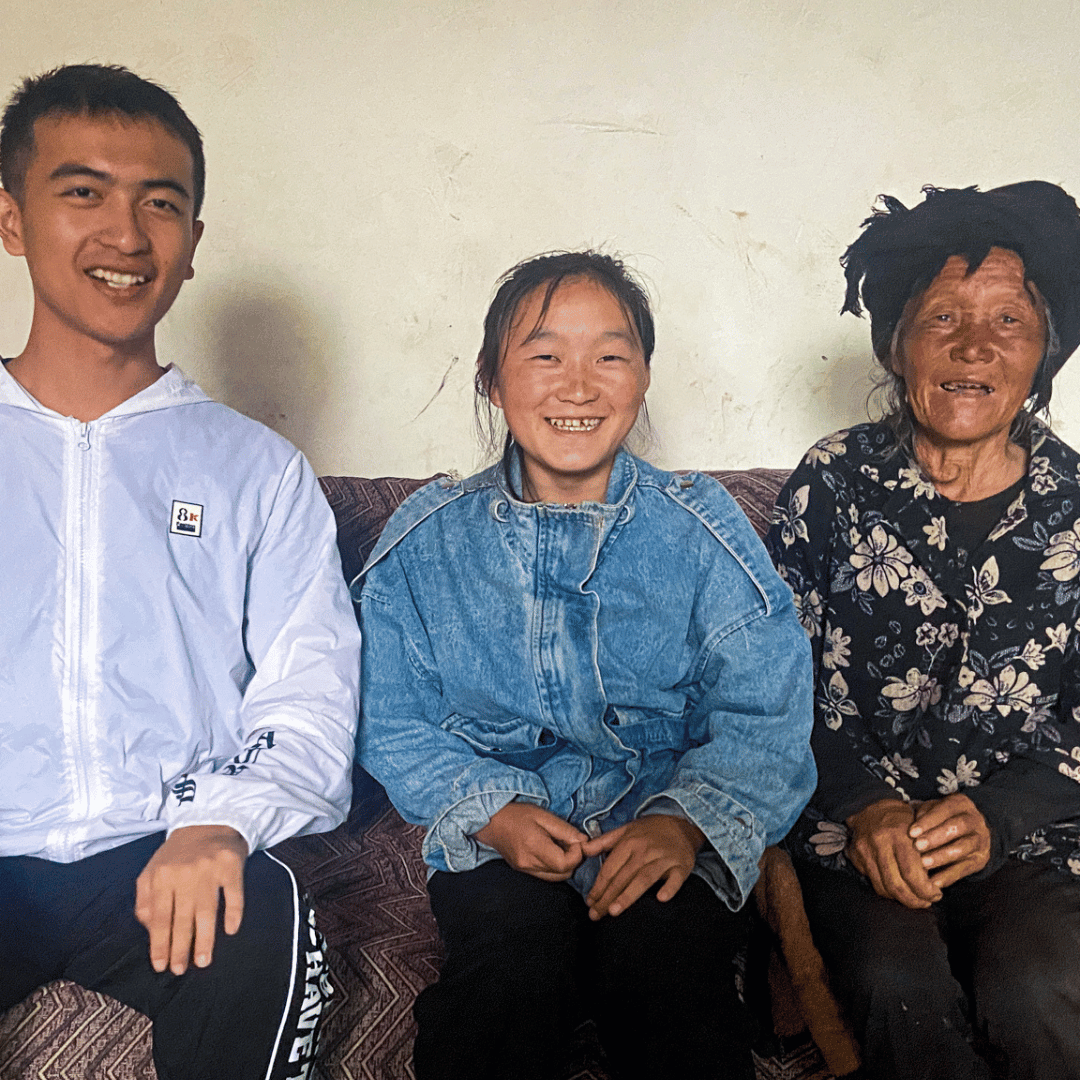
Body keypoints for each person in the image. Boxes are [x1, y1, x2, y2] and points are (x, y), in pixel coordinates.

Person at [355, 250, 816, 1080]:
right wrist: (491, 811)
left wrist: (683, 822)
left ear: (643, 378)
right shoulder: (426, 542)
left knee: (667, 975)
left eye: (609, 355)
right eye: (544, 356)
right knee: (507, 977)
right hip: (500, 840)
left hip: (661, 825)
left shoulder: (702, 530)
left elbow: (767, 711)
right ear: (492, 381)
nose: (578, 386)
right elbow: (390, 717)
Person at [0, 64, 361, 1080]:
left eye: (160, 203)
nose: (125, 234)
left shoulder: (258, 470)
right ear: (12, 219)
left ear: (193, 243)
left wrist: (221, 824)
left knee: (263, 914)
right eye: (84, 192)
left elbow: (309, 698)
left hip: (168, 843)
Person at [766, 182, 1080, 1080]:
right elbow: (770, 679)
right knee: (893, 983)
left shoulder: (1077, 506)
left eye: (1009, 321)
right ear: (895, 344)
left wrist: (997, 815)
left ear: (1044, 354)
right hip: (858, 833)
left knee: (1041, 985)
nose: (974, 345)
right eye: (943, 317)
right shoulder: (833, 482)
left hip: (1033, 837)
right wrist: (866, 806)